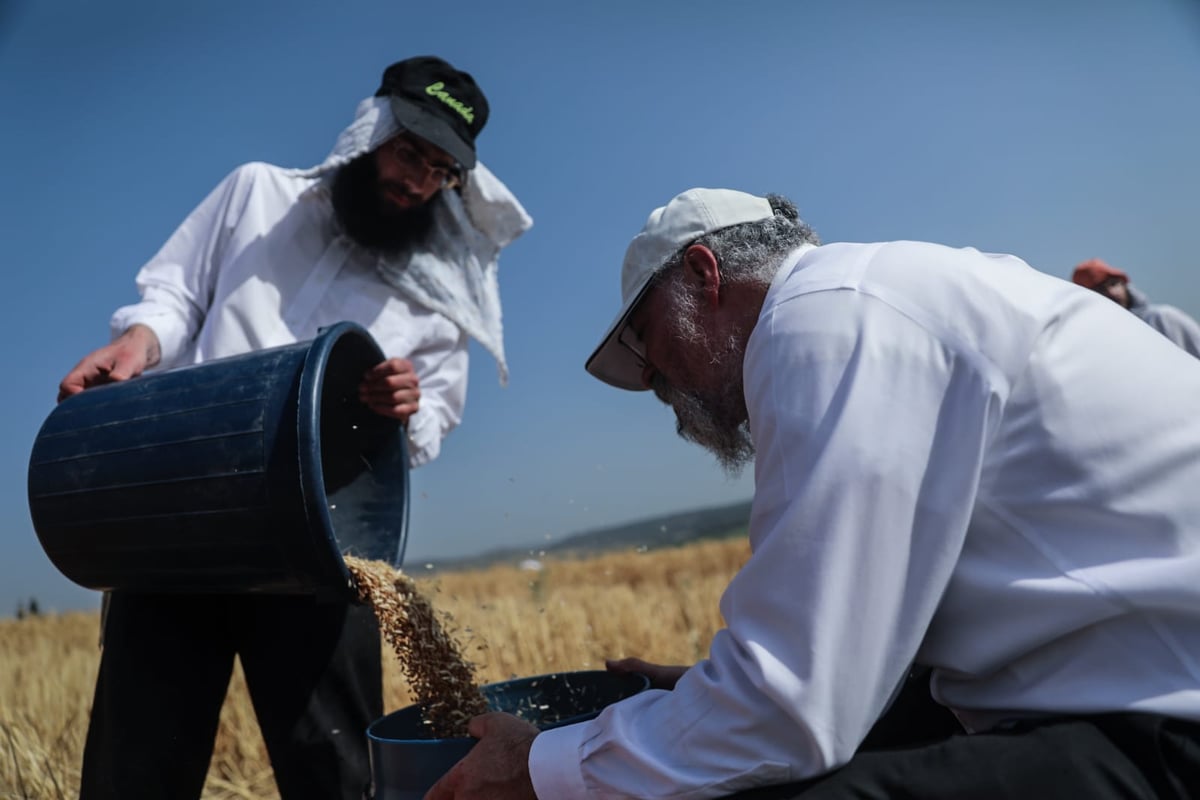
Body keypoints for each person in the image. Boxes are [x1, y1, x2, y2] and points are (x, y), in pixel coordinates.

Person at [427, 188, 1200, 799]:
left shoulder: (822, 321)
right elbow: (849, 660)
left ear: (704, 273)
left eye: (645, 344)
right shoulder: (879, 294)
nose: (657, 386)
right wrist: (703, 697)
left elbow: (793, 711)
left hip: (1164, 730)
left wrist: (542, 770)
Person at [59, 55, 532, 800]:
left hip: (323, 544)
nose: (417, 179)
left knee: (338, 777)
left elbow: (433, 419)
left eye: (440, 169)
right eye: (409, 150)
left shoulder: (441, 299)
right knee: (137, 766)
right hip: (184, 515)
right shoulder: (257, 195)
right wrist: (137, 344)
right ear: (370, 129)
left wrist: (402, 410)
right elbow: (176, 298)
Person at [1071, 257, 1200, 358]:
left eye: (1113, 283)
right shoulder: (1098, 343)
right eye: (1099, 290)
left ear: (1124, 284)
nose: (1111, 292)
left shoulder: (1162, 318)